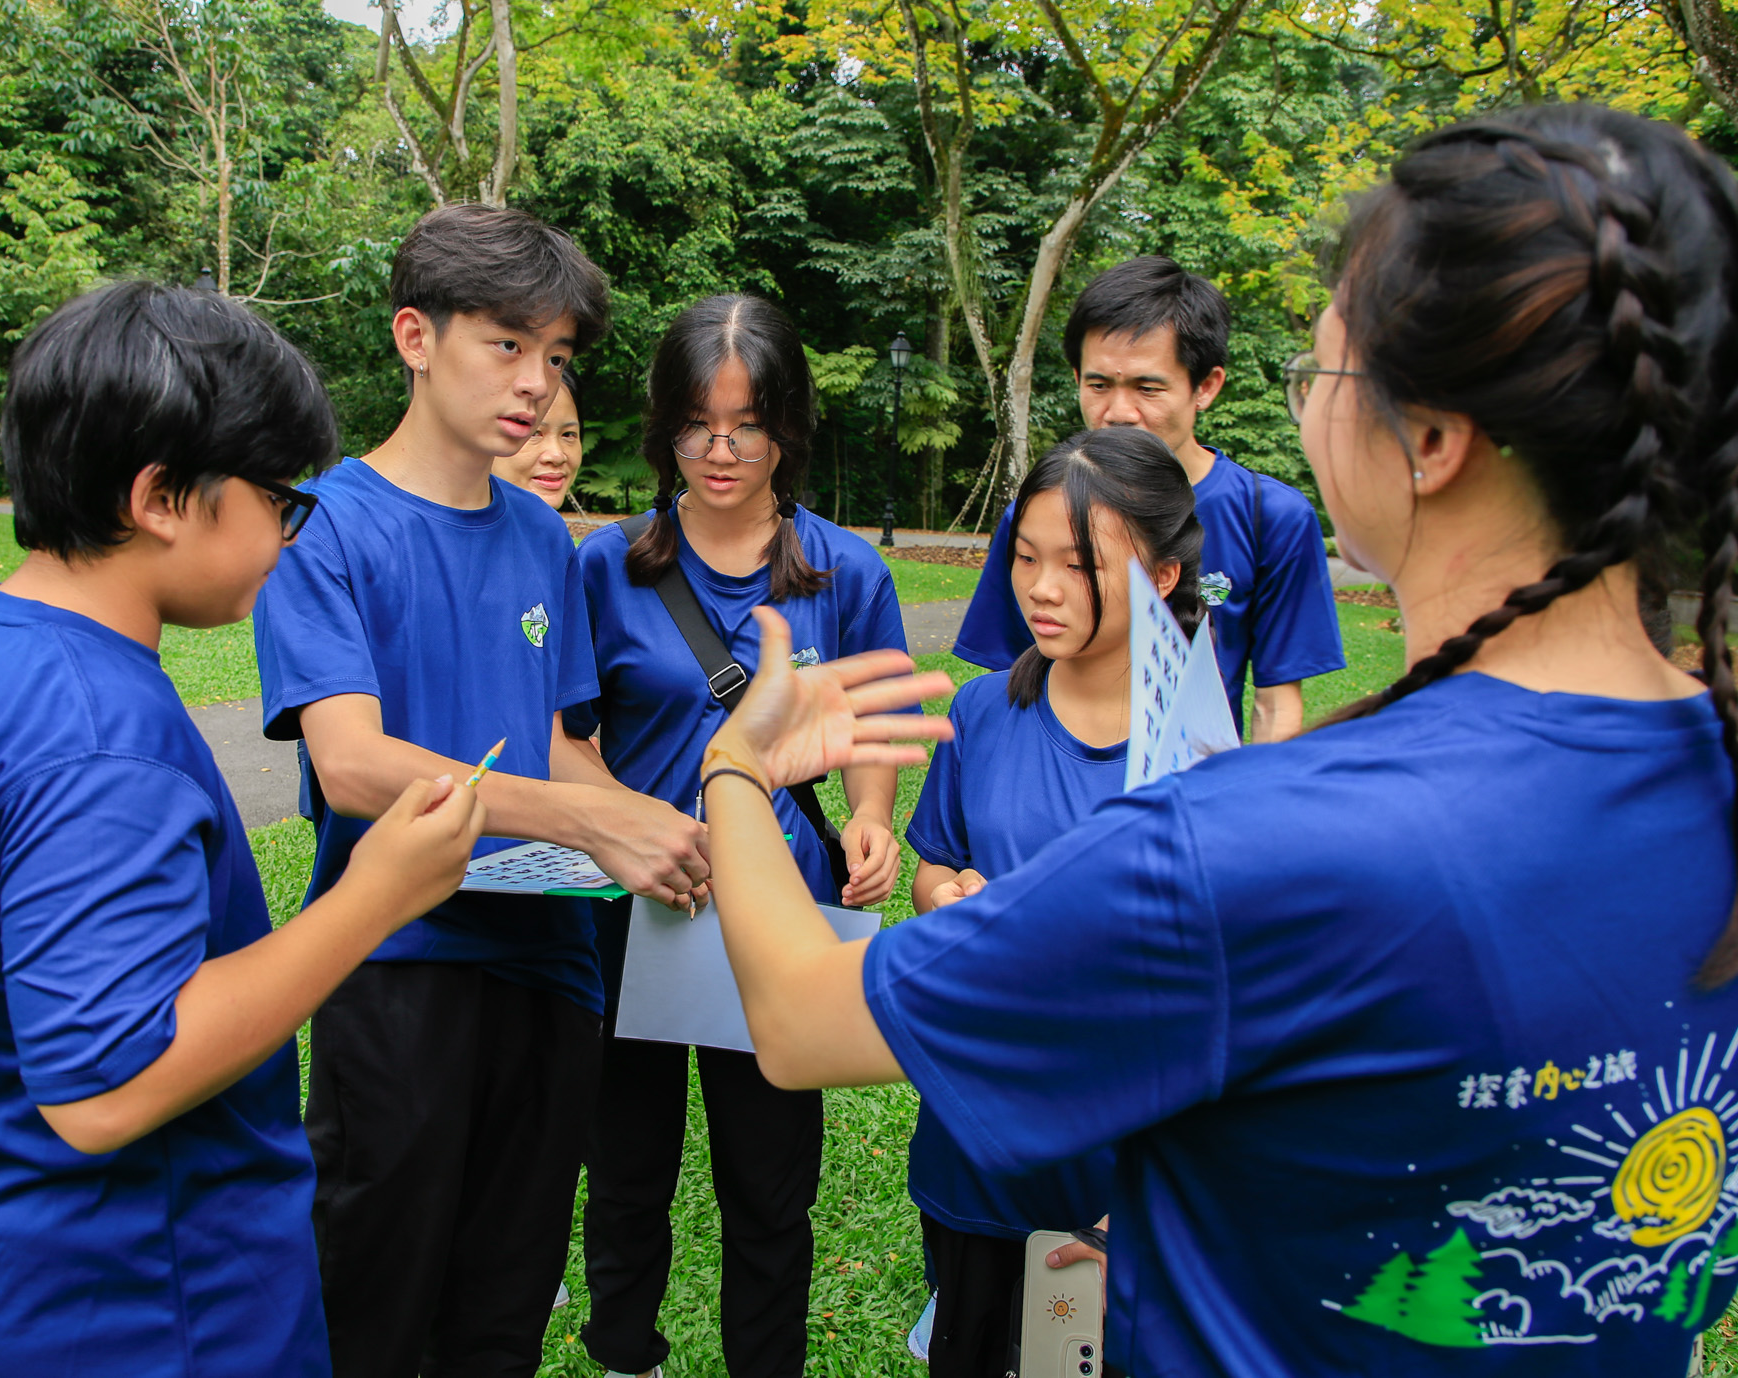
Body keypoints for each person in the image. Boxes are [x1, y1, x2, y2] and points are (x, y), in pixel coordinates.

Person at [697, 103, 1738, 1376]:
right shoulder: (1705, 772)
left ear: (1426, 439)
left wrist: (737, 764)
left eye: (1322, 374)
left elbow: (803, 1023)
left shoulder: (1252, 841)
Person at [0, 280, 487, 1378]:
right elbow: (105, 1086)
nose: (288, 538)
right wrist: (373, 896)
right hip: (149, 1309)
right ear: (161, 495)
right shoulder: (98, 735)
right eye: (277, 500)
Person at [251, 205, 710, 1378]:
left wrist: (651, 828)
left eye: (553, 356)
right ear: (415, 335)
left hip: (548, 970)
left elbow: (558, 745)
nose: (533, 383)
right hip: (399, 969)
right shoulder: (323, 528)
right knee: (375, 1303)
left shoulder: (540, 537)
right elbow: (350, 764)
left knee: (503, 1310)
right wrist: (585, 816)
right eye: (505, 344)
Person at [566, 293, 911, 1378]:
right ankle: (627, 1353)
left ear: (786, 429)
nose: (721, 451)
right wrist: (629, 825)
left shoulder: (844, 571)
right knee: (626, 1172)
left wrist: (866, 818)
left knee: (769, 1188)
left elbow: (870, 723)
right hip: (635, 912)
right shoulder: (604, 565)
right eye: (696, 424)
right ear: (664, 423)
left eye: (747, 424)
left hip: (778, 920)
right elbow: (567, 737)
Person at [904, 428, 1204, 1376]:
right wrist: (949, 900)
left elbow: (1212, 1013)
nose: (1039, 588)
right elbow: (933, 874)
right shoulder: (986, 711)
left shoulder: (1199, 765)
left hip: (1121, 1185)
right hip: (973, 1149)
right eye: (1025, 559)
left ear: (1160, 578)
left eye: (1078, 566)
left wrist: (1146, 1206)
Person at [953, 257, 1343, 742]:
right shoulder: (1035, 516)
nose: (1118, 412)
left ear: (1206, 386)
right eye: (1098, 385)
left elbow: (1275, 704)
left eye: (1147, 388)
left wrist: (1250, 807)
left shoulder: (1272, 518)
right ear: (1076, 378)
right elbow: (1004, 675)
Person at [493, 362, 585, 508]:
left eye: (568, 434)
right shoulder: (449, 529)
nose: (557, 456)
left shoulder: (554, 529)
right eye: (534, 433)